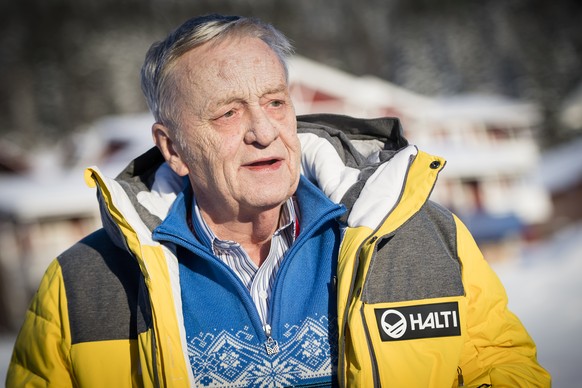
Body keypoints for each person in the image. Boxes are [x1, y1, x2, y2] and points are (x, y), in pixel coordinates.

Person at [7, 13, 550, 388]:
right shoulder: (82, 284)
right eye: (228, 113)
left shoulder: (424, 237)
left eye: (275, 102)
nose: (265, 132)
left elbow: (503, 368)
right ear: (173, 149)